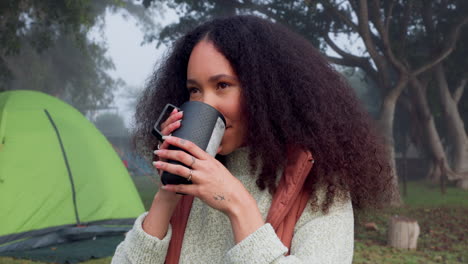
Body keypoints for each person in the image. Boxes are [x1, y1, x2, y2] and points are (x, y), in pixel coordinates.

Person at [112, 15, 394, 263]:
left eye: (222, 85)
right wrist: (169, 191)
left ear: (265, 91)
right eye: (195, 90)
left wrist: (238, 204)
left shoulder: (321, 188)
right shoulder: (188, 182)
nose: (205, 104)